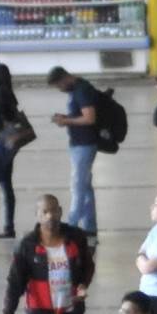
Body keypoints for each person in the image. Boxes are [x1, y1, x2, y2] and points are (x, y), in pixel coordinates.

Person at [45, 66, 106, 235]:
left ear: (64, 79)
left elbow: (89, 118)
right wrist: (66, 118)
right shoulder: (78, 89)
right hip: (79, 143)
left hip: (84, 144)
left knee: (78, 185)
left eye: (59, 86)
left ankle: (71, 225)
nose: (60, 90)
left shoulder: (81, 90)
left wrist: (66, 121)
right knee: (85, 187)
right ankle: (89, 226)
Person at [0, 62, 31, 238]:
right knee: (6, 186)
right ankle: (8, 226)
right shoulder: (9, 94)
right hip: (9, 146)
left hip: (1, 144)